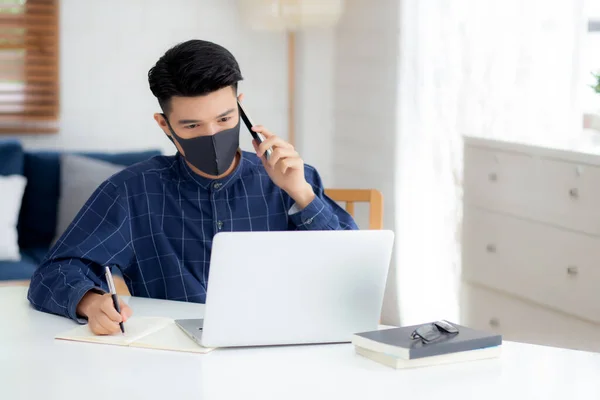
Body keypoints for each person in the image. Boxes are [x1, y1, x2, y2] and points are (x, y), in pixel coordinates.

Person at [27, 39, 358, 335]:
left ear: (241, 106)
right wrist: (90, 301)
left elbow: (352, 274)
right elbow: (53, 274)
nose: (212, 135)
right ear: (165, 125)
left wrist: (302, 194)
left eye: (225, 120)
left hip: (280, 350)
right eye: (192, 125)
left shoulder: (293, 179)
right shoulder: (132, 190)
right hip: (174, 361)